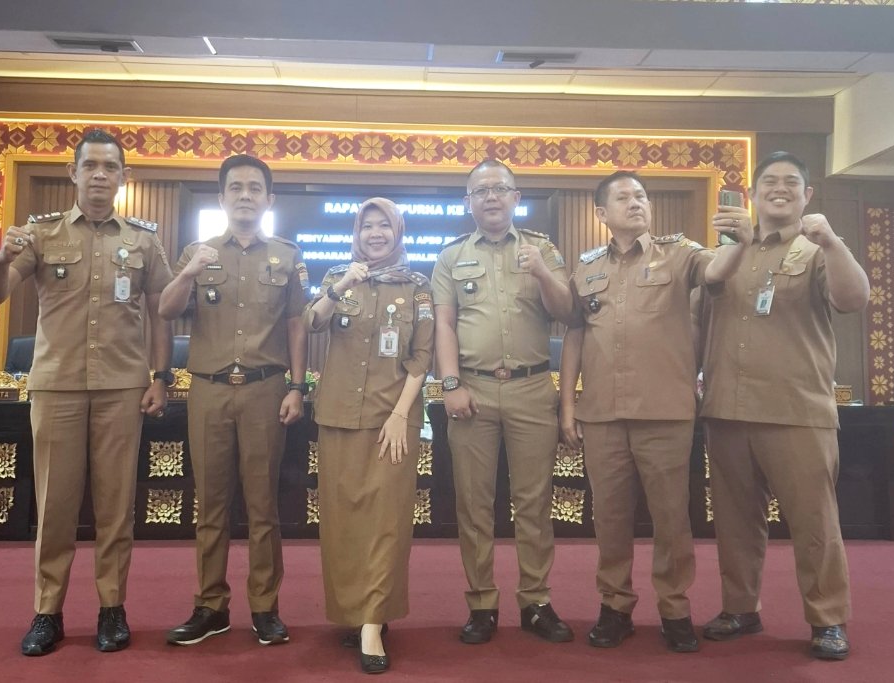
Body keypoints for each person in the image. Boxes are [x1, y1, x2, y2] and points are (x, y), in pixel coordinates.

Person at [0, 129, 173, 656]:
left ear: (124, 177)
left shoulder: (143, 241)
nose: (100, 176)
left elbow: (162, 311)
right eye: (90, 166)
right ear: (74, 173)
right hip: (57, 387)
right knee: (55, 507)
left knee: (116, 508)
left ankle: (112, 609)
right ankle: (48, 612)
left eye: (110, 167)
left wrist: (161, 376)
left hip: (122, 389)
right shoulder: (40, 234)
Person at [558, 171, 748, 653]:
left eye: (641, 195)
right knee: (609, 519)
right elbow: (575, 335)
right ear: (601, 213)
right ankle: (614, 607)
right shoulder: (586, 268)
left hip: (665, 413)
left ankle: (675, 610)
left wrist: (740, 242)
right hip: (602, 414)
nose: (636, 202)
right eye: (623, 197)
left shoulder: (679, 253)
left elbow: (716, 272)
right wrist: (567, 406)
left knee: (671, 519)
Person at [698, 151, 870, 660]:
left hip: (796, 410)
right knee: (734, 523)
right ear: (752, 193)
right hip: (728, 410)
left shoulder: (817, 248)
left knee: (814, 524)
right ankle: (740, 608)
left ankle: (827, 619)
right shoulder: (726, 252)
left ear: (807, 194)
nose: (779, 188)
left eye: (791, 182)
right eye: (769, 181)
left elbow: (853, 300)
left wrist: (833, 242)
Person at [158, 155, 308, 648]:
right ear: (222, 197)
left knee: (263, 506)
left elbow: (296, 324)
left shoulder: (287, 255)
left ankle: (265, 607)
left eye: (255, 188)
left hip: (266, 390)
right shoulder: (197, 253)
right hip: (209, 390)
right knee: (211, 505)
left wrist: (297, 386)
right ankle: (211, 606)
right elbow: (166, 310)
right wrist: (188, 272)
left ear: (269, 198)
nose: (245, 195)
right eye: (236, 187)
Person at [432, 160, 574, 645]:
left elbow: (567, 312)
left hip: (532, 390)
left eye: (500, 189)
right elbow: (444, 324)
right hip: (471, 389)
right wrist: (450, 383)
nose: (491, 197)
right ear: (467, 202)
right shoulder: (451, 256)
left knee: (534, 501)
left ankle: (536, 602)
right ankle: (482, 604)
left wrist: (543, 273)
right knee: (474, 504)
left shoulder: (543, 249)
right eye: (481, 191)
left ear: (516, 197)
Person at [304, 197, 434, 674]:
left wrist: (401, 415)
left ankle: (374, 622)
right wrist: (340, 286)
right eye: (367, 226)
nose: (375, 233)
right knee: (342, 521)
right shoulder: (339, 277)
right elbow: (312, 322)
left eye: (384, 226)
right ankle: (355, 611)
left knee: (386, 521)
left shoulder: (418, 286)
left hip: (390, 420)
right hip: (338, 415)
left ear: (399, 232)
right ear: (356, 233)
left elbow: (422, 357)